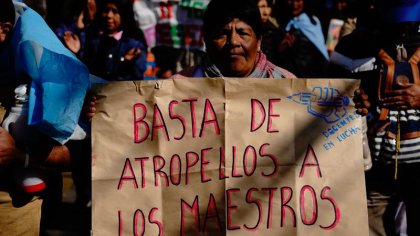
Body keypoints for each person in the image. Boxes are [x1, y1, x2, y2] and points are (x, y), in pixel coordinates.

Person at [0, 0, 90, 235]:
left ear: (4, 30)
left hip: (15, 221)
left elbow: (81, 154)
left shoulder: (40, 80)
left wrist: (20, 155)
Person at [346, 1, 420, 235]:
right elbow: (335, 90)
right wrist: (356, 99)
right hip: (378, 159)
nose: (402, 30)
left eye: (408, 23)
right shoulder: (359, 44)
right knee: (372, 216)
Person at [175, 0, 295, 79]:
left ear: (259, 41)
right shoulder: (178, 88)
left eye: (242, 33)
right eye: (223, 33)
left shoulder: (287, 85)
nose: (233, 42)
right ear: (206, 39)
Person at [83, 0, 148, 81]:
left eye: (115, 11)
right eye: (106, 11)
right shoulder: (94, 41)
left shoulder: (133, 45)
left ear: (123, 14)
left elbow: (138, 76)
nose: (109, 16)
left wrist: (125, 62)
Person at [272, 0, 329, 78]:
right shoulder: (280, 24)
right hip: (287, 78)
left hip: (310, 79)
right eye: (291, 0)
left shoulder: (313, 22)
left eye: (298, 0)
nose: (294, 4)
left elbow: (321, 52)